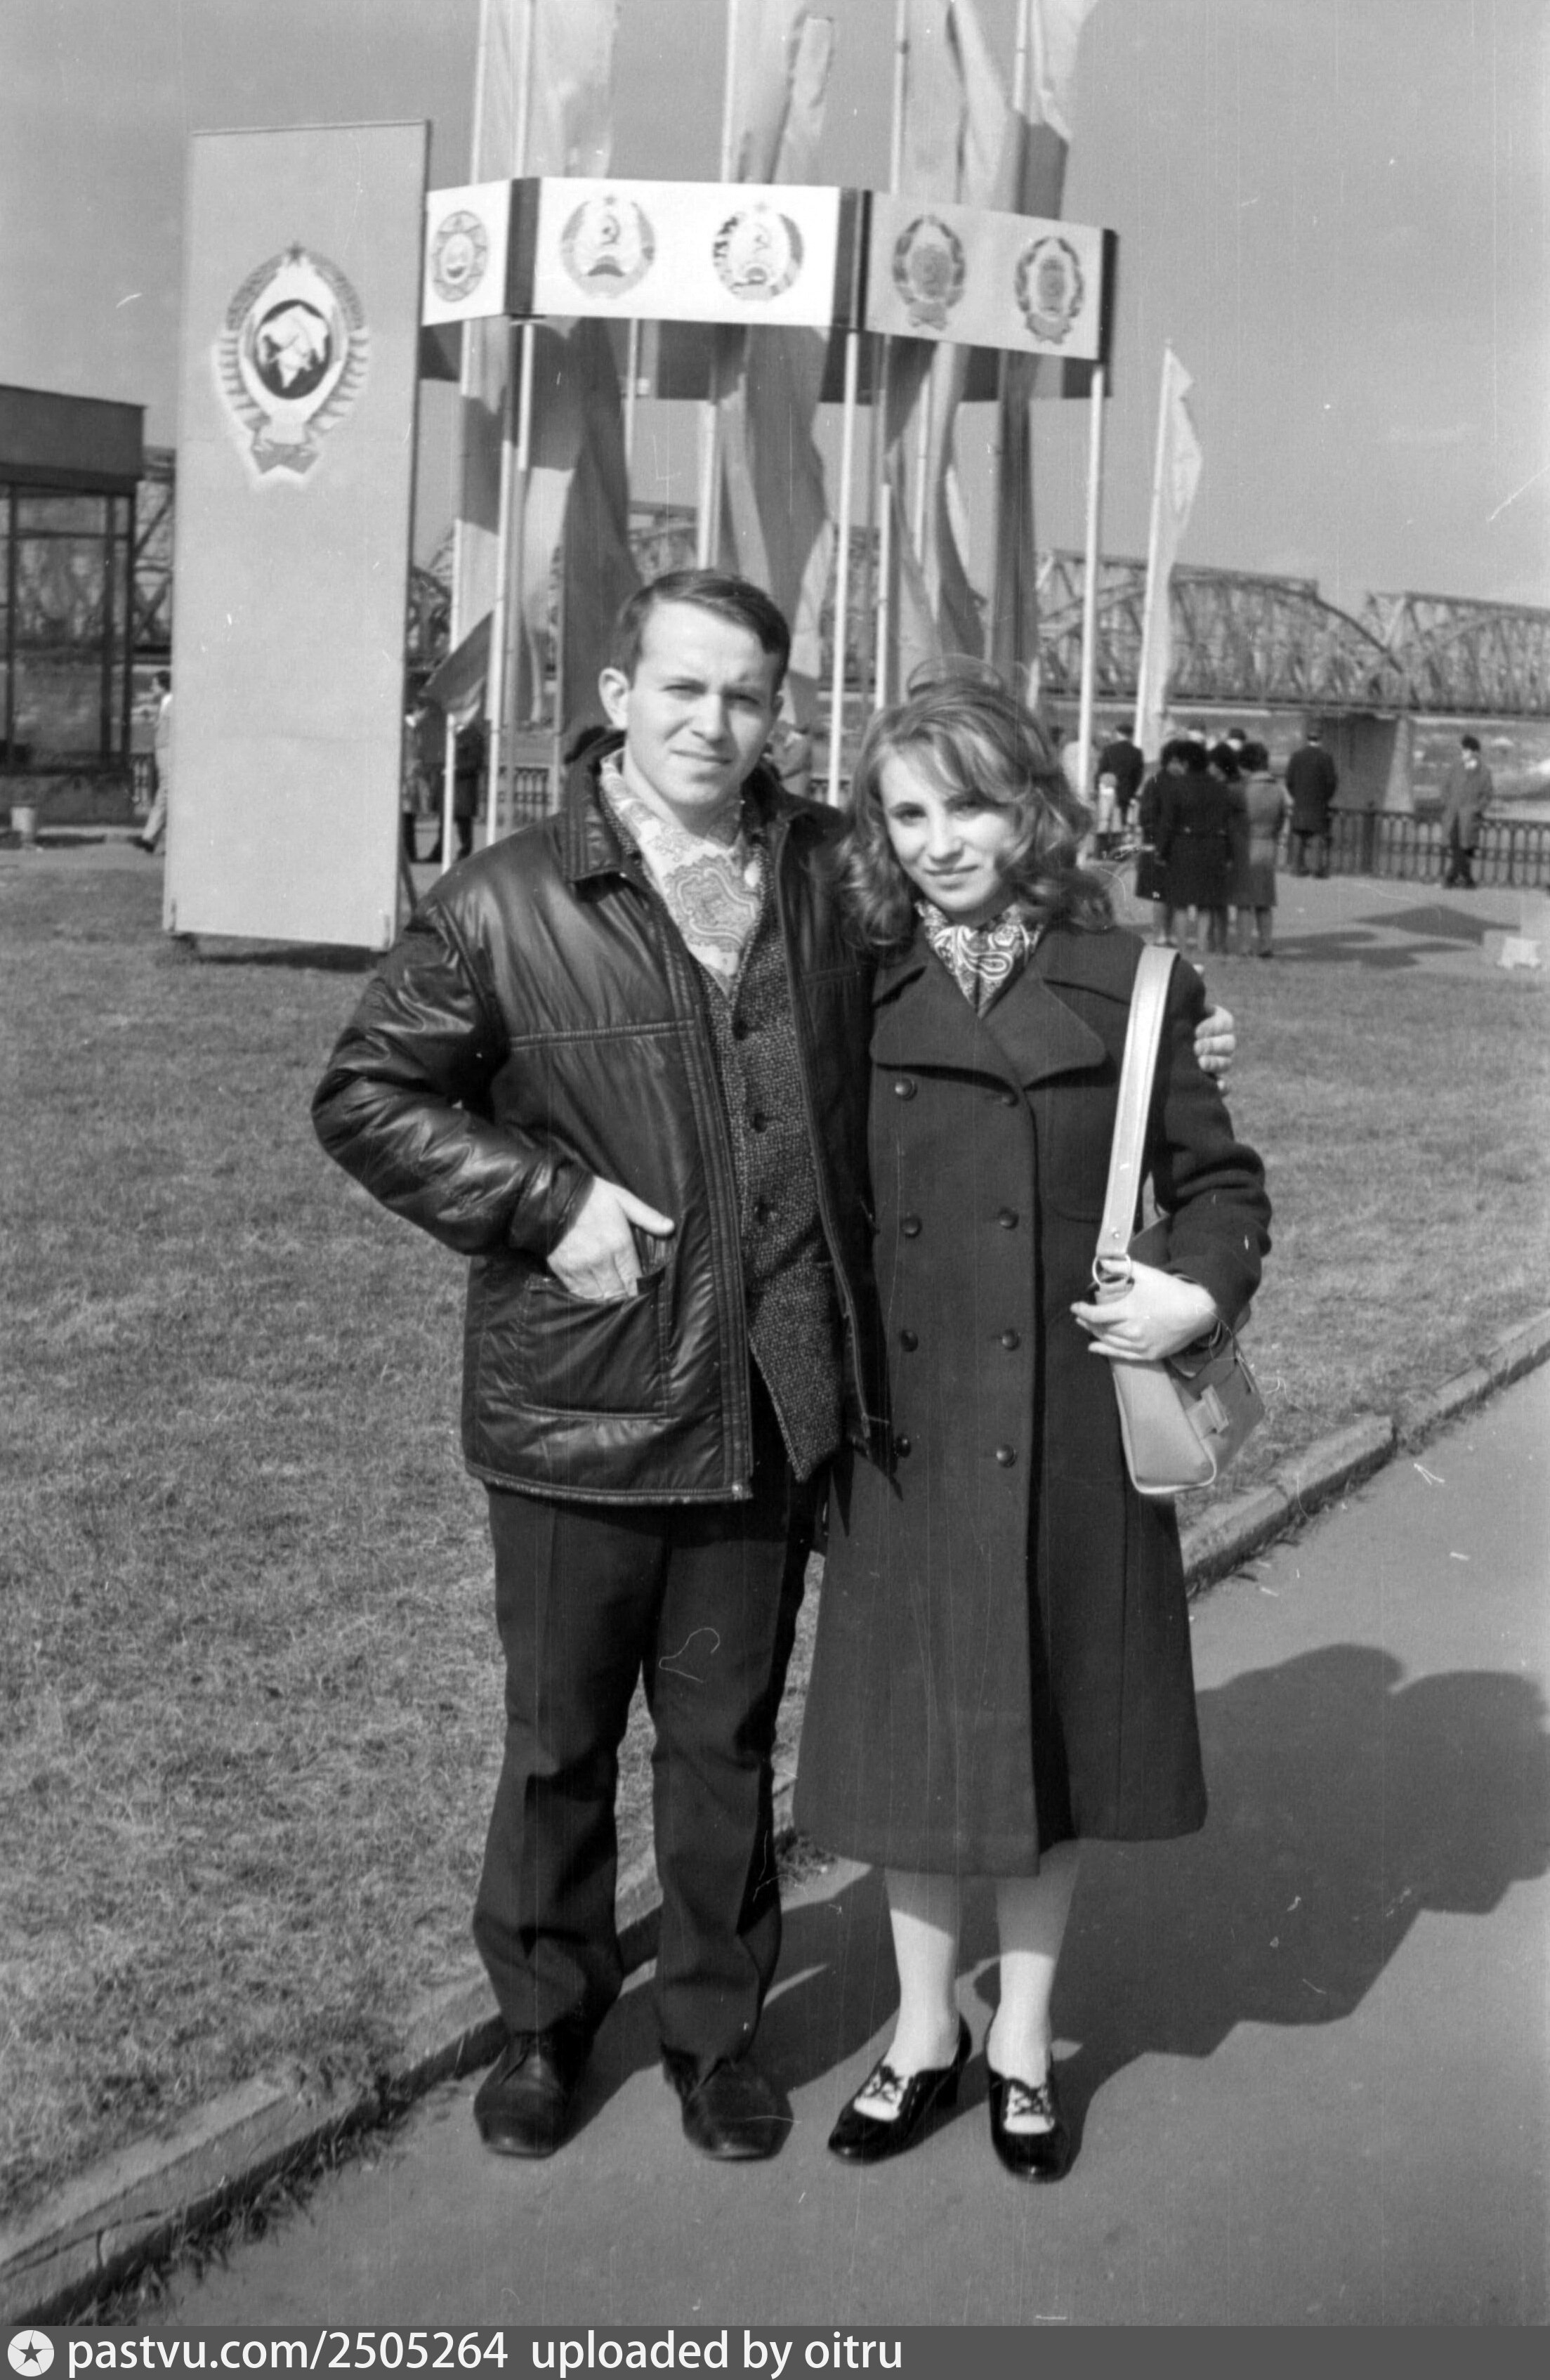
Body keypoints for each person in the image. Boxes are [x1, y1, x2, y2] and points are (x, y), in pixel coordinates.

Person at [311, 573, 1237, 2173]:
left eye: (743, 696)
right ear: (620, 693)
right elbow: (365, 1094)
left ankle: (712, 2031)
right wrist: (543, 1200)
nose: (711, 722)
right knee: (558, 1736)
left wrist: (1177, 1028)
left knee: (724, 1735)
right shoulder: (505, 899)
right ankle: (544, 2025)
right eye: (682, 689)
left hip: (771, 1391)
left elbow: (1008, 949)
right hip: (582, 1394)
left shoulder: (824, 872)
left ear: (775, 713)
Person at [794, 670, 1270, 2181]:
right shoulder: (844, 982)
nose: (938, 840)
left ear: (1036, 810)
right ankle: (919, 2028)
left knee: (1047, 1738)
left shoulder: (1138, 985)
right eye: (905, 812)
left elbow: (1220, 1184)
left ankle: (1020, 2038)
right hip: (907, 1427)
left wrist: (1195, 1294)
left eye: (971, 804)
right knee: (912, 1744)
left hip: (1067, 1422)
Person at [1155, 735, 1233, 957]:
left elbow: (1168, 822)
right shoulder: (1220, 788)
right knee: (1206, 902)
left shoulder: (1177, 787)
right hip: (1214, 846)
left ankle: (1182, 946)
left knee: (1180, 901)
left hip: (1183, 845)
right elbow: (1227, 822)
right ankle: (1202, 945)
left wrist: (1161, 850)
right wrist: (1229, 853)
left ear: (1186, 763)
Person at [1234, 740, 1289, 957]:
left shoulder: (1244, 790)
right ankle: (1266, 945)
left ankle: (1245, 945)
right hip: (1268, 845)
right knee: (1265, 901)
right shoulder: (1277, 790)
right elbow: (1281, 819)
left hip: (1246, 846)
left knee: (1244, 902)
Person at [1439, 733, 1493, 889]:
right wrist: (1447, 803)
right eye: (1463, 750)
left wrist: (1477, 809)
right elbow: (1444, 787)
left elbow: (1487, 795)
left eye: (1465, 750)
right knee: (1456, 846)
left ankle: (1454, 879)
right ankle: (1465, 879)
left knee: (1464, 848)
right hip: (1453, 815)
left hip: (1469, 817)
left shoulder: (1484, 772)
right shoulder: (1455, 767)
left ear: (1475, 752)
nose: (1462, 753)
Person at [1285, 728, 1338, 877]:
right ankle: (1316, 868)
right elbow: (1331, 782)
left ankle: (1296, 868)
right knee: (1317, 835)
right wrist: (1325, 798)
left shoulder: (1296, 757)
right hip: (1318, 804)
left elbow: (1289, 781)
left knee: (1298, 834)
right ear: (1320, 739)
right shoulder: (1326, 758)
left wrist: (1296, 796)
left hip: (1300, 803)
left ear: (1307, 739)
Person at [135, 671, 173, 853]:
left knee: (165, 792)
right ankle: (150, 837)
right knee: (165, 793)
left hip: (168, 753)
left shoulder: (173, 703)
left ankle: (149, 837)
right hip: (163, 752)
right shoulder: (165, 703)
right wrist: (151, 720)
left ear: (164, 686)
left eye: (154, 684)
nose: (152, 688)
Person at [1095, 723, 1145, 837]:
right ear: (1131, 735)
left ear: (1118, 734)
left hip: (1107, 790)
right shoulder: (1137, 753)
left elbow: (1101, 771)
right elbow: (1138, 776)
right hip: (1126, 792)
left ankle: (1104, 843)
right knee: (1121, 822)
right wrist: (1132, 790)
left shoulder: (1109, 750)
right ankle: (1117, 842)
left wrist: (1097, 788)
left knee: (1105, 820)